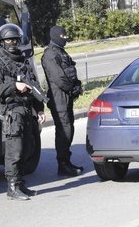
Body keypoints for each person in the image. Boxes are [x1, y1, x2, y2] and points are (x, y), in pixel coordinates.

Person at [0, 23, 46, 201]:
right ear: (2, 42)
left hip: (27, 109)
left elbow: (34, 86)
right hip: (12, 111)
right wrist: (14, 86)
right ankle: (12, 187)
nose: (12, 42)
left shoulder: (23, 61)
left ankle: (20, 184)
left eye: (14, 39)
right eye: (8, 40)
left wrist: (40, 108)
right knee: (16, 150)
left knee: (27, 148)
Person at [41, 25, 84, 176]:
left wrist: (77, 85)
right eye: (63, 38)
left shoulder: (60, 51)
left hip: (65, 98)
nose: (65, 40)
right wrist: (72, 89)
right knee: (64, 132)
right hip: (59, 99)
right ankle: (63, 164)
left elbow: (70, 71)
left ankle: (66, 161)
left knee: (68, 129)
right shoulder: (50, 55)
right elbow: (59, 78)